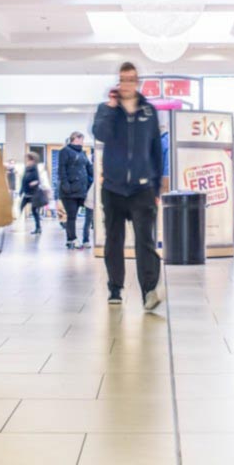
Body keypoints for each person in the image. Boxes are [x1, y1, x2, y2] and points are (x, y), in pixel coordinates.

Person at [93, 62, 165, 309]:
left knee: (145, 240)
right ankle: (115, 287)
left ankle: (149, 291)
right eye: (123, 79)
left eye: (131, 79)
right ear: (118, 82)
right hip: (112, 188)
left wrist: (156, 187)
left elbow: (156, 150)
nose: (126, 84)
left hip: (142, 188)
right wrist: (112, 108)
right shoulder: (106, 110)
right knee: (114, 240)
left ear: (138, 81)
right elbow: (100, 133)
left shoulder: (149, 111)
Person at [57, 132, 95, 249]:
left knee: (84, 215)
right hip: (69, 191)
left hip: (82, 190)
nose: (82, 142)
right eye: (81, 139)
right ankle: (72, 239)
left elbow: (89, 169)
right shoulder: (65, 151)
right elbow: (61, 169)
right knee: (72, 216)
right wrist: (66, 186)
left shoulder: (82, 153)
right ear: (75, 139)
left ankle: (80, 239)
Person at [19, 153, 45, 235]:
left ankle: (38, 228)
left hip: (34, 193)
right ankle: (16, 225)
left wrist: (35, 182)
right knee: (20, 207)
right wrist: (21, 191)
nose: (27, 161)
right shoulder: (27, 169)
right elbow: (23, 181)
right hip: (27, 193)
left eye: (28, 160)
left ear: (32, 161)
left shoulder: (35, 169)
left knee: (34, 211)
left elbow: (38, 180)